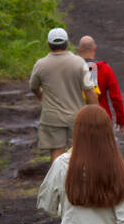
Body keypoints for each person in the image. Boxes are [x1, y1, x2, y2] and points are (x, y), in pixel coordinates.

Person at [30, 27, 98, 162]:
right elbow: (89, 91)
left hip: (52, 116)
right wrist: (96, 113)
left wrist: (40, 94)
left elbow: (33, 86)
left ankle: (57, 182)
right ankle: (76, 181)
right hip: (76, 116)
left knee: (56, 152)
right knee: (78, 151)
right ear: (67, 43)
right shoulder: (78, 62)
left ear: (48, 44)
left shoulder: (41, 64)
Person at [77, 36, 124, 131]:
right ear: (95, 48)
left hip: (80, 119)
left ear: (79, 49)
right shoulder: (104, 69)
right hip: (102, 118)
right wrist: (121, 120)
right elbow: (116, 97)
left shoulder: (74, 69)